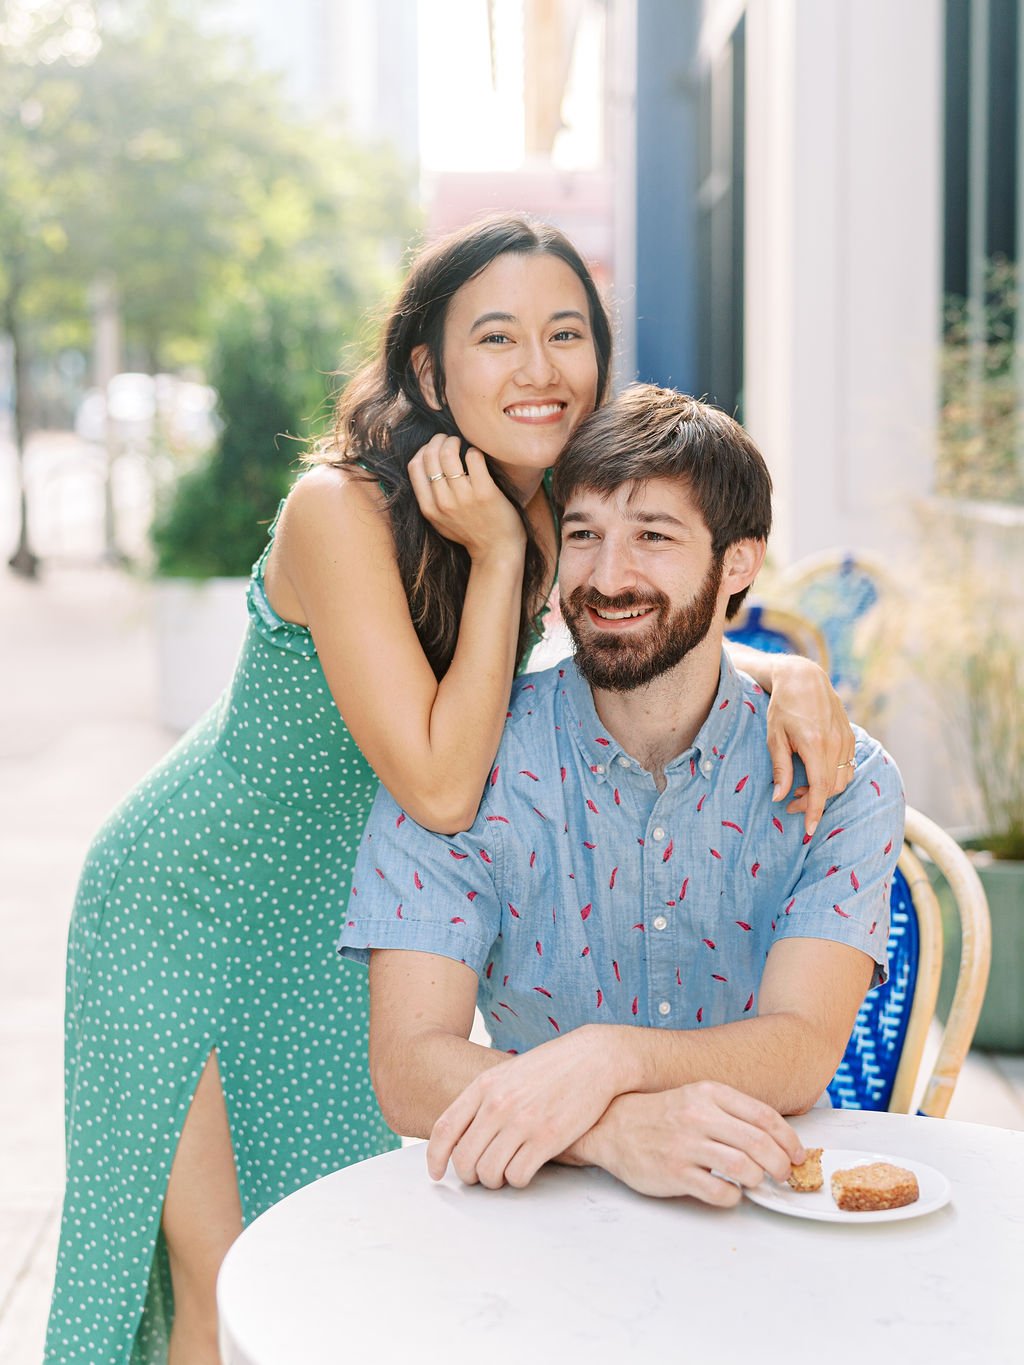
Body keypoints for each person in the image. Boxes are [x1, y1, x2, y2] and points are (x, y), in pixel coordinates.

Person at [46, 218, 852, 1365]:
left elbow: (622, 635)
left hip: (349, 932)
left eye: (566, 333)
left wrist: (782, 669)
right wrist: (500, 565)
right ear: (428, 368)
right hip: (195, 915)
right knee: (225, 1293)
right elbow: (437, 784)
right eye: (497, 336)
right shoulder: (343, 510)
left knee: (322, 1274)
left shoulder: (536, 506)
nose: (539, 368)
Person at [339, 383, 905, 1203]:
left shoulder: (841, 781)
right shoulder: (468, 764)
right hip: (541, 1209)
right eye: (584, 534)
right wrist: (610, 1131)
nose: (608, 576)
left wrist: (611, 1056)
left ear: (738, 559)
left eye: (653, 535)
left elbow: (804, 1043)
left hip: (759, 1204)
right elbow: (408, 1067)